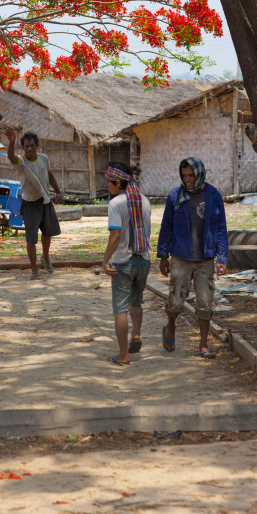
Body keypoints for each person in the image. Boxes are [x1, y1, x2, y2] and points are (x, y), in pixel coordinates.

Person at [157, 157, 228, 359]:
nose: (187, 179)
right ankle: (171, 325)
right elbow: (167, 227)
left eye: (191, 175)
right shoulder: (174, 196)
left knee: (205, 302)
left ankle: (203, 344)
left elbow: (221, 228)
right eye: (184, 175)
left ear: (200, 174)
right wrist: (163, 256)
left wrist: (222, 257)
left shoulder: (213, 196)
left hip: (205, 259)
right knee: (176, 301)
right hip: (180, 257)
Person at [102, 161, 152, 366]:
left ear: (117, 181)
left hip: (123, 261)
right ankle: (136, 335)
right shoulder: (144, 200)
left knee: (120, 309)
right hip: (144, 260)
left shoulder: (116, 204)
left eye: (109, 182)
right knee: (136, 301)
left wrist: (105, 260)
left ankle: (124, 355)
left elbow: (115, 236)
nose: (108, 186)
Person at [4, 128, 63, 279]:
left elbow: (49, 175)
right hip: (29, 203)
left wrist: (58, 191)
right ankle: (34, 268)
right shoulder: (21, 162)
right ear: (23, 148)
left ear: (37, 146)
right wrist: (11, 143)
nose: (29, 148)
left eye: (32, 145)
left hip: (45, 200)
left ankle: (45, 257)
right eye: (26, 146)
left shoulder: (43, 158)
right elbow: (11, 157)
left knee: (48, 232)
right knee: (31, 238)